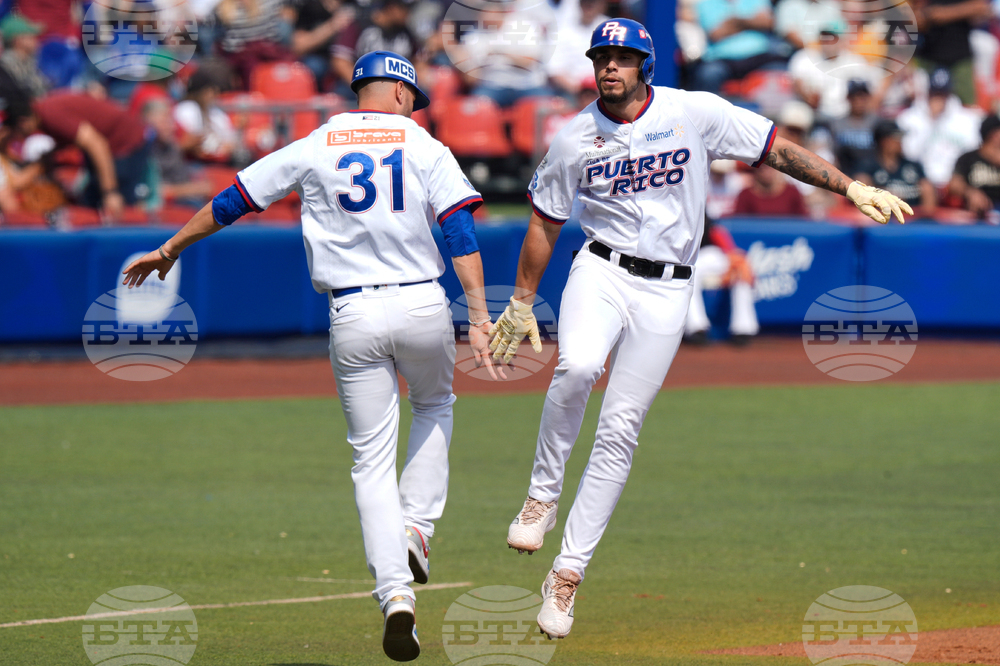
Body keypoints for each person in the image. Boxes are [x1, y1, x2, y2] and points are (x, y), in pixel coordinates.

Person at [491, 18, 912, 640]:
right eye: (602, 56)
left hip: (668, 285)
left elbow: (775, 147)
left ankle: (568, 573)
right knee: (577, 365)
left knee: (622, 426)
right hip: (601, 269)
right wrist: (523, 301)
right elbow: (544, 223)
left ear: (646, 65)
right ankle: (541, 495)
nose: (610, 66)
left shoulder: (695, 112)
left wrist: (850, 185)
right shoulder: (573, 137)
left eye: (623, 57)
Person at [121, 51, 499, 662]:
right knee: (434, 404)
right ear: (403, 95)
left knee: (370, 462)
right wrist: (479, 316)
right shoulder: (425, 143)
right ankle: (418, 529)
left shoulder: (317, 141)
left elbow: (234, 199)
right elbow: (458, 230)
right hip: (422, 303)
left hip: (352, 312)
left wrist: (169, 249)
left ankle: (395, 598)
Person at [2, 91, 153, 222]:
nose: (20, 137)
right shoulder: (45, 111)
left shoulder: (50, 114)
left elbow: (97, 144)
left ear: (22, 122)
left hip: (123, 145)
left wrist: (110, 192)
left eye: (17, 132)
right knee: (91, 203)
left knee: (118, 207)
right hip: (107, 148)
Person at [897, 67, 982, 190]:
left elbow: (971, 153)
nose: (938, 99)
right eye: (935, 94)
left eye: (942, 95)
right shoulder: (908, 118)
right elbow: (910, 155)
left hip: (954, 184)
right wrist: (930, 121)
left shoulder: (968, 119)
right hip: (920, 183)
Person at [684, 216, 759, 346]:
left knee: (740, 274)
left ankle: (742, 329)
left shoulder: (710, 225)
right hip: (695, 263)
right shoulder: (682, 220)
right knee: (689, 275)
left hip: (713, 257)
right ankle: (697, 328)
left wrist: (733, 265)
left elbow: (729, 249)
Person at [693, 0, 787, 93]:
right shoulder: (706, 3)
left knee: (784, 72)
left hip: (759, 57)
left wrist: (735, 22)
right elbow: (716, 34)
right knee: (708, 74)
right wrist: (751, 21)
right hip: (722, 60)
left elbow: (768, 22)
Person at [914, 0, 992, 106]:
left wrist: (943, 14)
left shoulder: (938, 11)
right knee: (922, 106)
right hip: (928, 58)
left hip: (959, 58)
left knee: (967, 108)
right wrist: (923, 17)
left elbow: (982, 8)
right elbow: (916, 18)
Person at [857, 119, 936, 216]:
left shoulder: (913, 166)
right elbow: (861, 189)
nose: (900, 142)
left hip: (914, 219)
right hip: (881, 218)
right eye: (896, 138)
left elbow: (927, 189)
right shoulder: (868, 166)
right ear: (884, 142)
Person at [284, 0, 356, 88]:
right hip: (320, 58)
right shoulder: (310, 6)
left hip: (350, 60)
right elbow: (298, 46)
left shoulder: (355, 5)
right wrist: (333, 25)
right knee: (314, 66)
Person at [950, 114, 1000, 216]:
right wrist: (970, 192)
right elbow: (954, 184)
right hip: (978, 213)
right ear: (993, 135)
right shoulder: (969, 158)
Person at [830, 79, 878, 178]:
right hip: (845, 171)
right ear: (848, 98)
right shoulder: (836, 123)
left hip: (872, 172)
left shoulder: (877, 123)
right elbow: (832, 153)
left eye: (862, 97)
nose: (859, 101)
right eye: (855, 97)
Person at [732, 162, 810, 216]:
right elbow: (740, 223)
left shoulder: (792, 192)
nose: (766, 170)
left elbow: (803, 221)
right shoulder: (745, 195)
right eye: (761, 167)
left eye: (769, 167)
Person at [0, 14, 48, 98]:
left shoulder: (31, 59)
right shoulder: (7, 64)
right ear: (18, 40)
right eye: (31, 36)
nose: (36, 40)